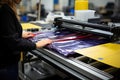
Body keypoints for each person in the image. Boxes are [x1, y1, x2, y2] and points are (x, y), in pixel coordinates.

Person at [0, 0, 52, 80]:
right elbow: (13, 42)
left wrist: (19, 34)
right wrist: (36, 45)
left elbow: (4, 32)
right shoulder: (5, 10)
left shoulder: (5, 8)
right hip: (6, 64)